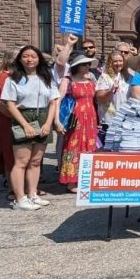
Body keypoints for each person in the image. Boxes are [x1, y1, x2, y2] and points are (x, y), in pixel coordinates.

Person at [2, 46, 59, 211]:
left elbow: (53, 101)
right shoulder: (13, 78)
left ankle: (33, 193)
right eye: (25, 56)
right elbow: (10, 104)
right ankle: (20, 197)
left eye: (33, 56)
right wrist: (24, 124)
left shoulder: (46, 77)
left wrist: (49, 123)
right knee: (21, 161)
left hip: (43, 116)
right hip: (23, 116)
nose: (29, 59)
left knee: (36, 161)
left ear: (39, 58)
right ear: (20, 59)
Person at [57, 54, 99, 191]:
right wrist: (57, 120)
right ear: (76, 66)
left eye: (88, 64)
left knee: (89, 145)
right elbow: (58, 100)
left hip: (91, 117)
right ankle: (71, 181)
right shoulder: (67, 80)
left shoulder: (91, 79)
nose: (87, 66)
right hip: (75, 117)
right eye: (84, 64)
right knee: (73, 146)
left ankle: (85, 178)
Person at [0, 49, 17, 182]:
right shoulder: (3, 77)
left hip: (17, 119)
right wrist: (17, 117)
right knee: (9, 153)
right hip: (7, 120)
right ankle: (12, 186)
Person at [96, 50, 131, 128]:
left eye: (120, 61)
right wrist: (111, 90)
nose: (118, 64)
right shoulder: (105, 77)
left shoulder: (126, 76)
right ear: (110, 63)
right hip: (110, 119)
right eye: (115, 61)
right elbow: (100, 98)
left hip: (125, 118)